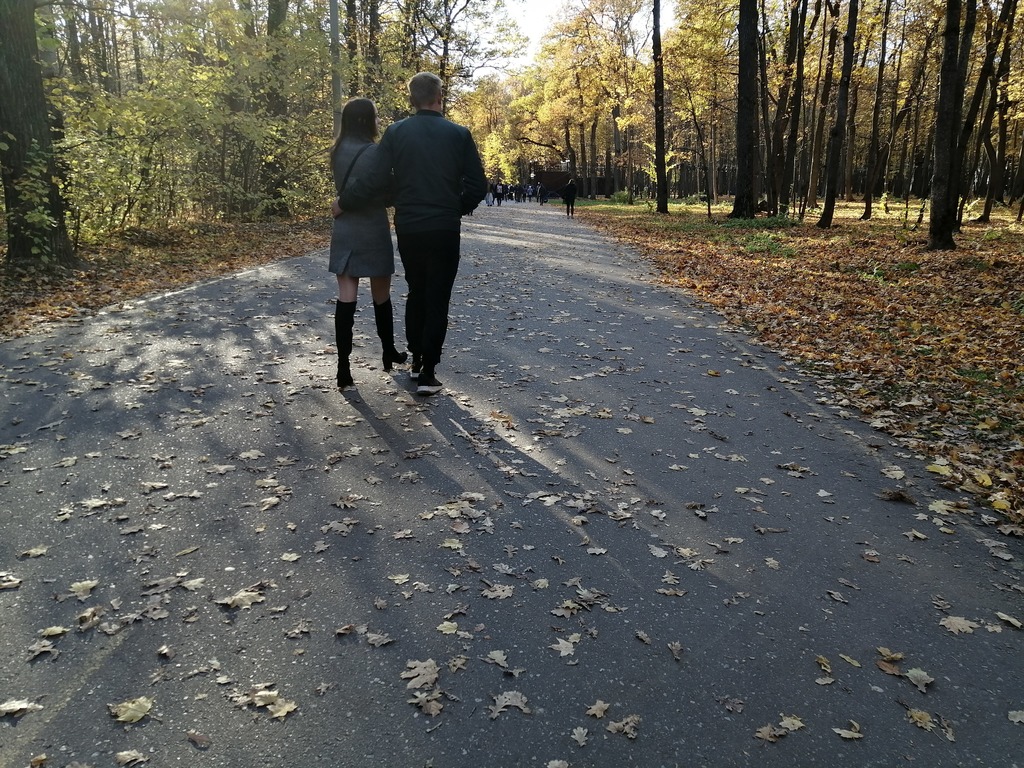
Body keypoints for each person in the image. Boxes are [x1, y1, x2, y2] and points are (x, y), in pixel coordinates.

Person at [340, 72, 487, 396]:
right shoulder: (459, 134)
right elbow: (479, 185)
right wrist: (455, 208)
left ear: (411, 99)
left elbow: (376, 178)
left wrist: (345, 202)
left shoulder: (396, 132)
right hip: (444, 227)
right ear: (439, 97)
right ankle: (428, 373)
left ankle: (416, 359)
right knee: (438, 296)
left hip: (409, 226)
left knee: (417, 290)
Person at [329, 97, 407, 390]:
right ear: (365, 120)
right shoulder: (375, 153)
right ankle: (388, 351)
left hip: (345, 228)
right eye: (375, 116)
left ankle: (343, 367)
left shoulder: (336, 150)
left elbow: (349, 187)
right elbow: (386, 189)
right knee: (381, 295)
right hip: (373, 228)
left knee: (346, 297)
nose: (378, 121)